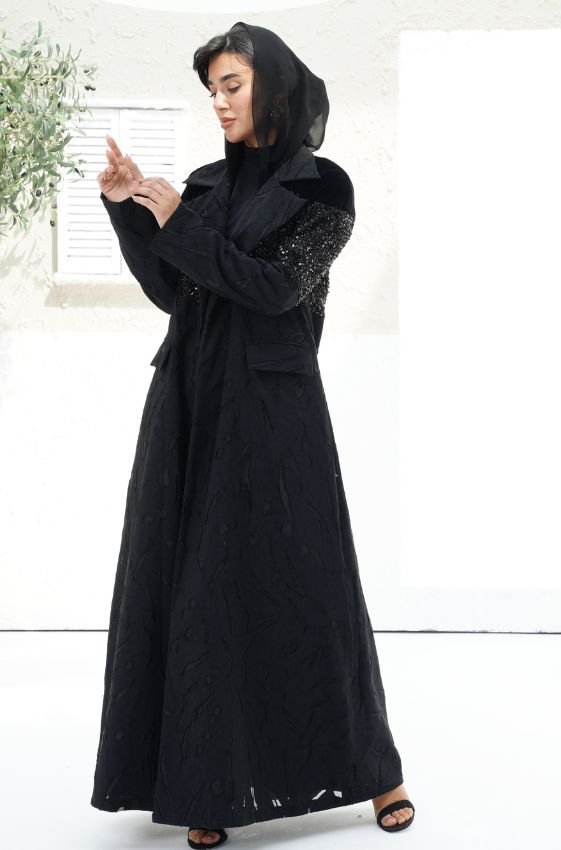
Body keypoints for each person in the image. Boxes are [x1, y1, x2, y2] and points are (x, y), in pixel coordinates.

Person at [90, 21, 415, 848]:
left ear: (273, 86)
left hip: (273, 410)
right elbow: (176, 291)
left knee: (309, 581)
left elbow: (273, 289)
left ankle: (377, 771)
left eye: (231, 85)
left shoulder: (323, 188)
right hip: (190, 403)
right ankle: (208, 783)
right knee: (199, 585)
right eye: (212, 90)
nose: (219, 102)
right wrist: (129, 211)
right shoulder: (203, 185)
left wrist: (179, 222)